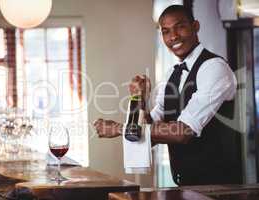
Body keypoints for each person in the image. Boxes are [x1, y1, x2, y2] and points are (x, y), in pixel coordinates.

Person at [94, 5, 239, 186]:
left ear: (195, 26)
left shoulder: (214, 68)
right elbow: (150, 130)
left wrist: (117, 128)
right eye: (166, 31)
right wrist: (139, 99)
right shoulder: (172, 73)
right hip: (185, 185)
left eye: (180, 27)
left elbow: (182, 131)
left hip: (219, 187)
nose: (173, 36)